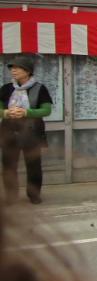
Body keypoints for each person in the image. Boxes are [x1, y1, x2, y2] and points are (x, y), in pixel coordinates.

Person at [1, 55, 52, 205]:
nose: (13, 70)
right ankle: (11, 196)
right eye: (12, 68)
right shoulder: (6, 88)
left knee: (34, 165)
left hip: (32, 132)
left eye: (17, 68)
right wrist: (6, 113)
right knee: (9, 165)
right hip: (9, 132)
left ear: (28, 71)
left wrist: (26, 112)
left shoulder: (39, 88)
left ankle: (34, 195)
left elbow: (46, 110)